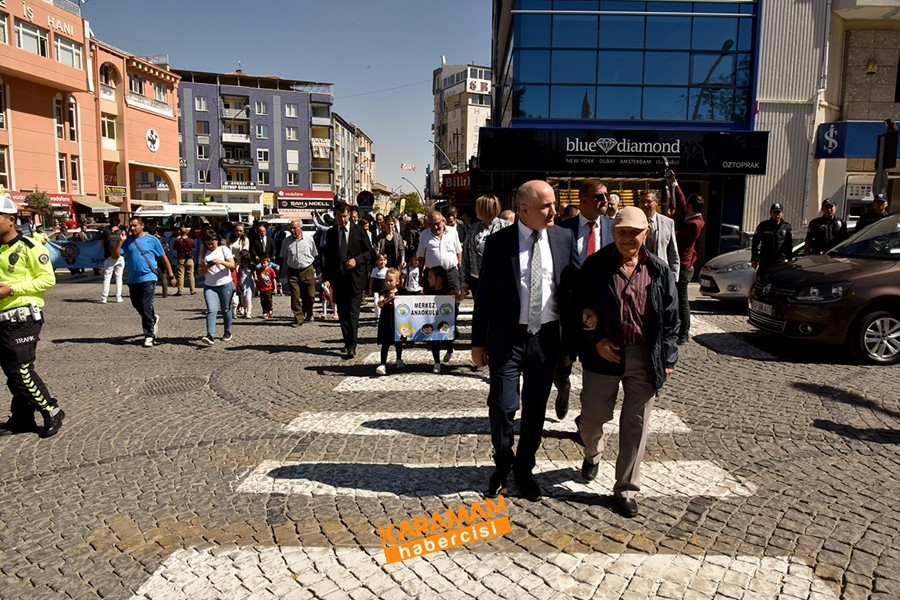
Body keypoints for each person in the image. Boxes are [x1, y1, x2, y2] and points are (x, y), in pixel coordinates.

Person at [472, 180, 578, 502]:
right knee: (503, 406)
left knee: (534, 409)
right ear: (524, 209)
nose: (554, 211)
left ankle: (524, 469)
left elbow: (575, 285)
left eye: (554, 204)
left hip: (546, 339)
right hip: (508, 338)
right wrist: (478, 342)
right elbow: (485, 296)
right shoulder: (499, 243)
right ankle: (502, 464)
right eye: (547, 206)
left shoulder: (563, 237)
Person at [574, 206, 679, 519]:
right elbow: (575, 303)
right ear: (612, 233)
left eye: (634, 232)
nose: (628, 238)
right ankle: (593, 452)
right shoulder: (595, 266)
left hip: (644, 356)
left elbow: (673, 319)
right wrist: (595, 340)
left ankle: (626, 489)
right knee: (593, 418)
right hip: (603, 354)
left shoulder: (658, 270)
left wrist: (668, 357)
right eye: (622, 232)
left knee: (636, 425)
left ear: (646, 233)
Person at [0, 196, 65, 438]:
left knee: (21, 369)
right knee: (10, 370)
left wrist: (14, 290)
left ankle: (51, 409)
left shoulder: (29, 246)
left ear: (11, 220)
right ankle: (22, 417)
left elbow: (48, 279)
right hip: (2, 318)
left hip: (23, 316)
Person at [552, 179, 609, 420]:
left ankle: (586, 421)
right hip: (569, 310)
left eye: (607, 195)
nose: (604, 200)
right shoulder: (563, 229)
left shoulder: (614, 228)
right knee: (562, 364)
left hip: (602, 311)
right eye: (598, 196)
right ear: (582, 200)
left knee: (595, 371)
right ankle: (563, 387)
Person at [112, 217, 176, 348]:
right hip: (133, 279)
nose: (132, 228)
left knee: (146, 306)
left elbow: (164, 258)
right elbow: (115, 255)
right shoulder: (128, 241)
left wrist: (171, 275)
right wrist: (120, 241)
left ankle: (149, 335)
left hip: (149, 277)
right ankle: (152, 319)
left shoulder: (152, 240)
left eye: (135, 225)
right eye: (130, 226)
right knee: (137, 305)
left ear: (142, 226)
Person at [323, 200, 374, 358]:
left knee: (353, 313)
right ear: (335, 216)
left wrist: (356, 260)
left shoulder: (358, 231)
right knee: (343, 313)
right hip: (339, 279)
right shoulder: (331, 233)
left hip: (356, 278)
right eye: (339, 217)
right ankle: (347, 342)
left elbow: (370, 253)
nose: (343, 220)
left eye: (345, 216)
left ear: (349, 215)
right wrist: (327, 278)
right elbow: (328, 257)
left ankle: (352, 345)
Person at [460, 194, 511, 299]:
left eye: (477, 207)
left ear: (485, 209)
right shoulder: (473, 229)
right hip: (477, 279)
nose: (475, 210)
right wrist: (464, 282)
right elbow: (466, 256)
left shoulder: (506, 227)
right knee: (481, 312)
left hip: (499, 279)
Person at [197, 230, 236, 346]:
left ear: (217, 241)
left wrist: (221, 262)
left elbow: (232, 265)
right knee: (211, 310)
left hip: (225, 284)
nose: (210, 245)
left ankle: (227, 331)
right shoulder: (203, 253)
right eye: (208, 243)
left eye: (212, 243)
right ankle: (210, 335)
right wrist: (208, 266)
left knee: (225, 309)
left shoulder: (224, 250)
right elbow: (200, 271)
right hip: (210, 285)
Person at [279, 219, 318, 327]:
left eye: (294, 228)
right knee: (295, 296)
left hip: (307, 269)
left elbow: (314, 254)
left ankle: (308, 312)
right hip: (293, 271)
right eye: (290, 228)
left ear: (301, 228)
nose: (292, 230)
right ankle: (298, 318)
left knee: (310, 295)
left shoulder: (309, 240)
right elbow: (285, 257)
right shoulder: (286, 241)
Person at [416, 210, 463, 294]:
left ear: (443, 220)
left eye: (437, 223)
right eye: (432, 224)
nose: (435, 227)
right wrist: (420, 275)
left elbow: (458, 251)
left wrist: (459, 269)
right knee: (431, 302)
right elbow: (421, 256)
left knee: (453, 302)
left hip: (451, 273)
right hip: (432, 275)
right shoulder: (424, 235)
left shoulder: (453, 232)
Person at [638, 189, 680, 282]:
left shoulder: (668, 223)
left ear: (656, 202)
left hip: (660, 274)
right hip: (638, 274)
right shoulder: (634, 222)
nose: (644, 205)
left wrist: (674, 277)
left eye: (648, 201)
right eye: (642, 201)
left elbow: (673, 252)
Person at [375, 267, 405, 376]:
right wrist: (388, 299)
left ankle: (399, 359)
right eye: (386, 280)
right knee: (385, 343)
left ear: (397, 281)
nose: (388, 282)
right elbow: (380, 304)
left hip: (398, 321)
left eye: (390, 280)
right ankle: (383, 363)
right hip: (386, 321)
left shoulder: (402, 292)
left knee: (398, 341)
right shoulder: (384, 292)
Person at [426, 265, 454, 373]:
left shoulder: (447, 292)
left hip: (445, 322)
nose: (428, 279)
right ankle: (437, 362)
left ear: (438, 279)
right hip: (433, 321)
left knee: (446, 339)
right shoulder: (429, 291)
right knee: (434, 341)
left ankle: (450, 349)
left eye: (430, 276)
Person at [751, 203, 793, 275]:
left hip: (779, 261)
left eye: (779, 212)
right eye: (775, 212)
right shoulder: (763, 225)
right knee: (762, 281)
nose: (777, 214)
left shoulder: (786, 227)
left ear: (782, 213)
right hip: (765, 261)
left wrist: (790, 259)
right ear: (770, 213)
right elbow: (755, 243)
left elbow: (789, 245)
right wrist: (754, 259)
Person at [99, 218, 124, 304]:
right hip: (120, 256)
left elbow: (102, 244)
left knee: (107, 278)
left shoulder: (106, 232)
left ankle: (104, 297)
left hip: (109, 256)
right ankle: (118, 297)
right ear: (118, 224)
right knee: (119, 277)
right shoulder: (122, 232)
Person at [173, 227, 196, 296]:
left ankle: (180, 290)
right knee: (191, 275)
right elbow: (193, 246)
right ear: (187, 232)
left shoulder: (177, 240)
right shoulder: (191, 240)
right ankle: (192, 290)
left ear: (180, 232)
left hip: (181, 258)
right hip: (190, 258)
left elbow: (174, 247)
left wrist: (178, 237)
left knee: (180, 275)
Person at [255, 255, 277, 319]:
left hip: (269, 288)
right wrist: (257, 287)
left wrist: (275, 288)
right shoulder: (259, 271)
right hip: (262, 288)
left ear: (268, 263)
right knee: (262, 300)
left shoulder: (271, 270)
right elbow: (258, 279)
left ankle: (270, 309)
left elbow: (273, 279)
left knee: (269, 300)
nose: (263, 264)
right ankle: (265, 311)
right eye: (262, 263)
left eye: (264, 263)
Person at [235, 254, 255, 319]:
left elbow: (255, 274)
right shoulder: (239, 267)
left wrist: (256, 282)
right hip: (241, 286)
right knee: (243, 300)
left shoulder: (251, 267)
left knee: (248, 299)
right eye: (244, 262)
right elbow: (237, 275)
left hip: (249, 285)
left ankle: (248, 313)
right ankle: (245, 310)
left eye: (247, 262)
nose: (245, 264)